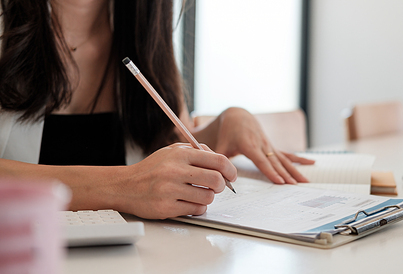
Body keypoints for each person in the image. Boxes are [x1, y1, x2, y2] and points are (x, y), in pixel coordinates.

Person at [0, 0, 314, 219]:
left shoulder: (143, 36)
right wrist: (124, 187)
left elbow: (159, 152)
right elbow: (141, 180)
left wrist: (220, 129)